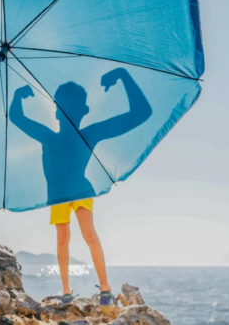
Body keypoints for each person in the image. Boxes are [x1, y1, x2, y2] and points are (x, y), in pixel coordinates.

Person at [9, 68, 152, 307]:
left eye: (68, 107)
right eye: (60, 107)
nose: (63, 111)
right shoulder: (49, 136)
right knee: (63, 238)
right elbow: (16, 117)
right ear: (55, 111)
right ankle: (66, 290)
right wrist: (16, 94)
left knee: (89, 236)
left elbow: (141, 113)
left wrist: (123, 75)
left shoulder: (88, 134)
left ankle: (105, 289)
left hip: (80, 189)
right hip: (58, 195)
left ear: (84, 111)